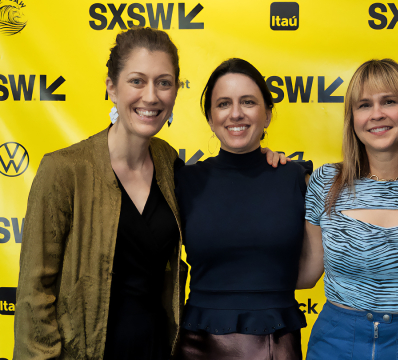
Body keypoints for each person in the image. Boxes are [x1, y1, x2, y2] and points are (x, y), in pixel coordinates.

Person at [13, 28, 286, 360]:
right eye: (137, 81)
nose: (152, 96)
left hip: (160, 347)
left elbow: (231, 199)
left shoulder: (169, 163)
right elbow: (33, 295)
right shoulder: (65, 170)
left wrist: (264, 163)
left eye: (164, 82)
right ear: (111, 87)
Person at [298, 59, 398, 360]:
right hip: (334, 344)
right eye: (364, 105)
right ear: (352, 118)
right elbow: (306, 273)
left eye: (389, 102)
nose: (377, 114)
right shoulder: (326, 181)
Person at [173, 58, 312, 360]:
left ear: (268, 114)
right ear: (210, 118)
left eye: (248, 102)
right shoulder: (182, 181)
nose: (236, 113)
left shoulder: (297, 178)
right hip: (197, 344)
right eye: (223, 104)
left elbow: (311, 272)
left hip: (277, 341)